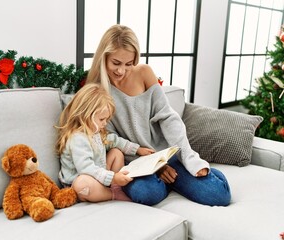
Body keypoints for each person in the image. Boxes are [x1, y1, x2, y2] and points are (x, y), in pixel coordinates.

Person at [85, 24, 231, 206]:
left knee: (219, 196)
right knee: (145, 194)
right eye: (116, 63)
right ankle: (172, 182)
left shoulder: (144, 73)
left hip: (166, 154)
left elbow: (168, 117)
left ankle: (188, 174)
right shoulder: (96, 91)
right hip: (136, 164)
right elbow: (107, 138)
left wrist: (187, 157)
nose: (121, 71)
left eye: (129, 64)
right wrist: (153, 167)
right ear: (103, 57)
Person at [55, 83, 154, 203]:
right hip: (80, 182)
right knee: (82, 183)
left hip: (98, 176)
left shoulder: (96, 132)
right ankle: (113, 194)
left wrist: (137, 149)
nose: (105, 123)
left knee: (116, 153)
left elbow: (115, 141)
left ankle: (116, 188)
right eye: (102, 119)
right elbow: (86, 168)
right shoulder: (78, 139)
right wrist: (113, 177)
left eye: (106, 119)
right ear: (84, 115)